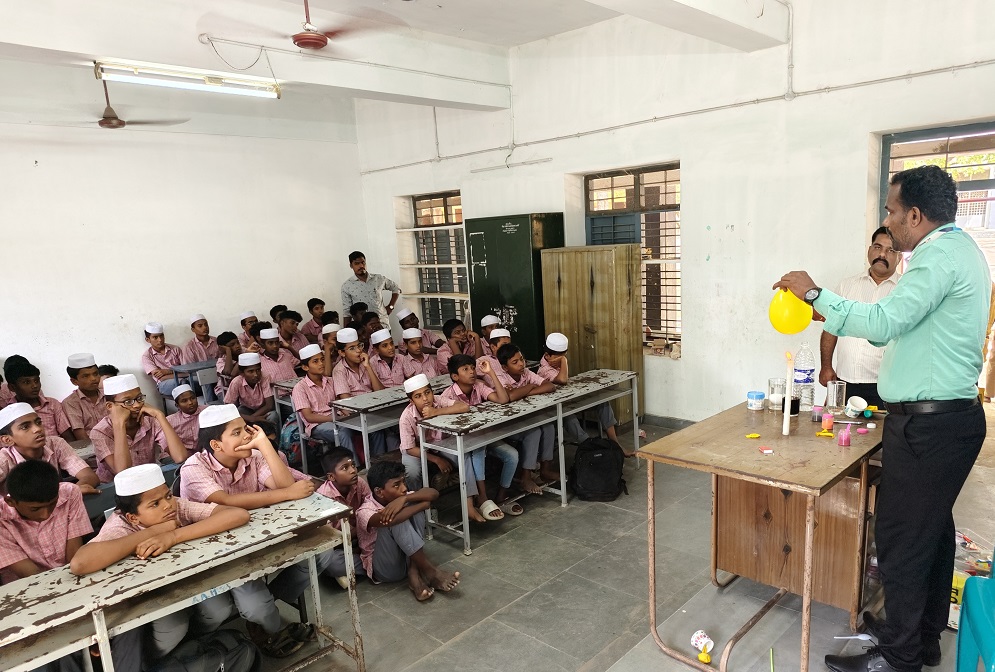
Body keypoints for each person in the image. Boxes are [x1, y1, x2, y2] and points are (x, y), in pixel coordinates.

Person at [774, 165, 990, 672]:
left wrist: (815, 294)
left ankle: (899, 657)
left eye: (892, 211)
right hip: (946, 420)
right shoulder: (960, 251)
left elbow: (886, 320)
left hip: (931, 426)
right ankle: (920, 638)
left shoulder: (937, 256)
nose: (887, 222)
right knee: (931, 534)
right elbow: (887, 327)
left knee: (901, 541)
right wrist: (830, 310)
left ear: (914, 215)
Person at [70, 464, 249, 661]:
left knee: (219, 610)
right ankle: (154, 661)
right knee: (174, 626)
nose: (167, 505)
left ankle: (194, 642)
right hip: (143, 593)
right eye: (155, 504)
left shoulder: (176, 507)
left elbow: (238, 515)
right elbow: (80, 564)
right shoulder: (120, 526)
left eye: (168, 496)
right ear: (132, 518)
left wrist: (173, 536)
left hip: (185, 578)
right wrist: (155, 531)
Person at [179, 405, 317, 657]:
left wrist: (264, 445)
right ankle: (265, 623)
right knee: (255, 607)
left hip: (255, 537)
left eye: (245, 429)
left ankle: (263, 608)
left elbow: (284, 484)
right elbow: (225, 502)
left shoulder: (253, 455)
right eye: (237, 432)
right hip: (216, 552)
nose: (246, 436)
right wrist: (286, 494)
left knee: (317, 556)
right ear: (216, 444)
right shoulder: (193, 468)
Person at [0, 461, 145, 672]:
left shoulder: (68, 493)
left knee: (126, 619)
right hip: (29, 599)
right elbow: (32, 576)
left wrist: (83, 602)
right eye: (35, 509)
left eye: (52, 504)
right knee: (62, 641)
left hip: (76, 578)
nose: (45, 514)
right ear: (11, 502)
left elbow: (74, 560)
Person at [818, 226, 901, 408]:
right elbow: (831, 328)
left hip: (885, 387)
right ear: (869, 250)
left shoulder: (904, 290)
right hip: (844, 381)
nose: (882, 254)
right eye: (878, 247)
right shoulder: (847, 286)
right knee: (836, 425)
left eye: (890, 250)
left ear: (899, 257)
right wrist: (826, 366)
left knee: (882, 427)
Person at [357, 460, 460, 601]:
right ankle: (430, 571)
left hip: (406, 558)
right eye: (396, 485)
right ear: (379, 492)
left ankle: (414, 572)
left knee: (411, 505)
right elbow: (390, 521)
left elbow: (433, 493)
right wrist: (423, 505)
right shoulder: (364, 511)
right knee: (395, 520)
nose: (404, 488)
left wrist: (405, 499)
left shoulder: (401, 496)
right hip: (385, 568)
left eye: (403, 482)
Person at [441, 354, 521, 518]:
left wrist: (491, 373)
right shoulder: (447, 396)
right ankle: (482, 497)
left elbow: (503, 399)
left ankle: (501, 496)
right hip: (460, 442)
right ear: (455, 376)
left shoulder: (478, 386)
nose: (472, 372)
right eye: (465, 369)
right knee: (478, 449)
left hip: (482, 436)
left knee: (512, 455)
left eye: (472, 368)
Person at [537, 333, 629, 451]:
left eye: (563, 356)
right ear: (547, 355)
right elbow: (563, 380)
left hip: (568, 397)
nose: (560, 359)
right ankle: (590, 447)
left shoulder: (554, 361)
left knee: (602, 401)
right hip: (554, 406)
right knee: (567, 415)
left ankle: (615, 444)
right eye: (558, 357)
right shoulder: (544, 369)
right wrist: (563, 360)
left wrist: (561, 360)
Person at [90, 374, 188, 483]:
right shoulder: (99, 432)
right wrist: (119, 424)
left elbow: (180, 457)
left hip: (147, 481)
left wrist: (159, 415)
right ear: (110, 406)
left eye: (139, 398)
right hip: (114, 487)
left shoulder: (150, 421)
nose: (137, 405)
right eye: (128, 402)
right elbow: (123, 473)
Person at [398, 373, 473, 502]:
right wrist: (437, 460)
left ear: (432, 392)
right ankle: (420, 503)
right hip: (417, 450)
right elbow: (410, 448)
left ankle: (470, 500)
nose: (425, 399)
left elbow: (464, 406)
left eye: (427, 393)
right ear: (411, 401)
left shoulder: (438, 400)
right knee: (412, 472)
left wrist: (436, 412)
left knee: (464, 457)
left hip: (439, 445)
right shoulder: (406, 417)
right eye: (418, 396)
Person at [495, 344, 559, 490]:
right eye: (515, 362)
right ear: (505, 367)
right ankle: (526, 477)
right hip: (506, 423)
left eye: (522, 359)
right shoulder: (501, 378)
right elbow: (510, 397)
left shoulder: (526, 373)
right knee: (534, 431)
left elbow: (550, 386)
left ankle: (545, 469)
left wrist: (525, 392)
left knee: (549, 426)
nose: (521, 364)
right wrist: (530, 386)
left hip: (524, 418)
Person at [0, 402, 99, 492]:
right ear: (7, 440)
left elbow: (90, 476)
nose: (37, 429)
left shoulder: (55, 444)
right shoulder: (3, 459)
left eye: (38, 422)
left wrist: (70, 493)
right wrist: (67, 493)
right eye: (25, 427)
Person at [331, 328, 393, 459]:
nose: (359, 350)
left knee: (383, 427)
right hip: (354, 415)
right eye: (352, 348)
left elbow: (380, 392)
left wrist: (368, 367)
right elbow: (347, 405)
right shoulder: (339, 371)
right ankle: (362, 465)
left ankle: (380, 461)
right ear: (342, 352)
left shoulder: (365, 364)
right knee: (375, 429)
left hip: (372, 410)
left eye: (359, 346)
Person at [315, 449, 369, 586]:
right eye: (345, 468)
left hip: (362, 537)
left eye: (353, 465)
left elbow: (371, 508)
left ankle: (357, 567)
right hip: (339, 546)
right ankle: (372, 564)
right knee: (330, 563)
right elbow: (327, 540)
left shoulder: (360, 483)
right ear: (331, 477)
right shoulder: (323, 498)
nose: (353, 470)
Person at [291, 344, 349, 453]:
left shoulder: (331, 381)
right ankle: (353, 462)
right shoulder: (300, 388)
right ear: (305, 367)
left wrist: (347, 415)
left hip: (336, 419)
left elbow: (340, 403)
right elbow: (309, 417)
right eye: (315, 361)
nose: (321, 363)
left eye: (322, 359)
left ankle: (373, 459)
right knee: (343, 432)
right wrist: (334, 418)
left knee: (362, 426)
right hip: (317, 425)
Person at [4, 358, 75, 443]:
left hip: (57, 449)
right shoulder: (8, 413)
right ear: (12, 387)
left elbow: (68, 437)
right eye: (27, 382)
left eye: (36, 381)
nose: (34, 385)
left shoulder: (52, 404)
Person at [340, 251, 401, 325]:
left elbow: (396, 288)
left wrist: (391, 307)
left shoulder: (378, 278)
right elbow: (347, 312)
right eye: (356, 263)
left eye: (363, 262)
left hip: (382, 324)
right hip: (363, 327)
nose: (361, 266)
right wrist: (347, 330)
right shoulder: (347, 286)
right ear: (351, 265)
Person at [225, 352, 279, 429]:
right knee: (238, 413)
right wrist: (250, 418)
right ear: (242, 373)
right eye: (251, 371)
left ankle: (273, 437)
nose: (256, 374)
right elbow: (228, 408)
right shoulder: (236, 382)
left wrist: (252, 418)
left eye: (258, 370)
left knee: (273, 416)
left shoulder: (265, 377)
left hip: (263, 409)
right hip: (247, 409)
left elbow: (269, 405)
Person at [61, 353, 108, 440]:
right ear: (74, 381)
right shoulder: (70, 403)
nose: (93, 378)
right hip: (91, 446)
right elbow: (81, 436)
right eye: (86, 376)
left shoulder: (109, 394)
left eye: (95, 374)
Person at [141, 321, 183, 397]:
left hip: (183, 379)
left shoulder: (175, 349)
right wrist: (180, 373)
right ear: (148, 340)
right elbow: (161, 378)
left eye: (161, 336)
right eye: (155, 337)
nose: (160, 340)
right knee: (183, 383)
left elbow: (187, 370)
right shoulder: (147, 356)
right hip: (163, 385)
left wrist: (167, 371)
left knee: (201, 379)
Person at [165, 385, 204, 451]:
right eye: (184, 401)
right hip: (181, 453)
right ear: (177, 405)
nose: (190, 403)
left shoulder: (207, 411)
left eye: (192, 398)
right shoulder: (170, 421)